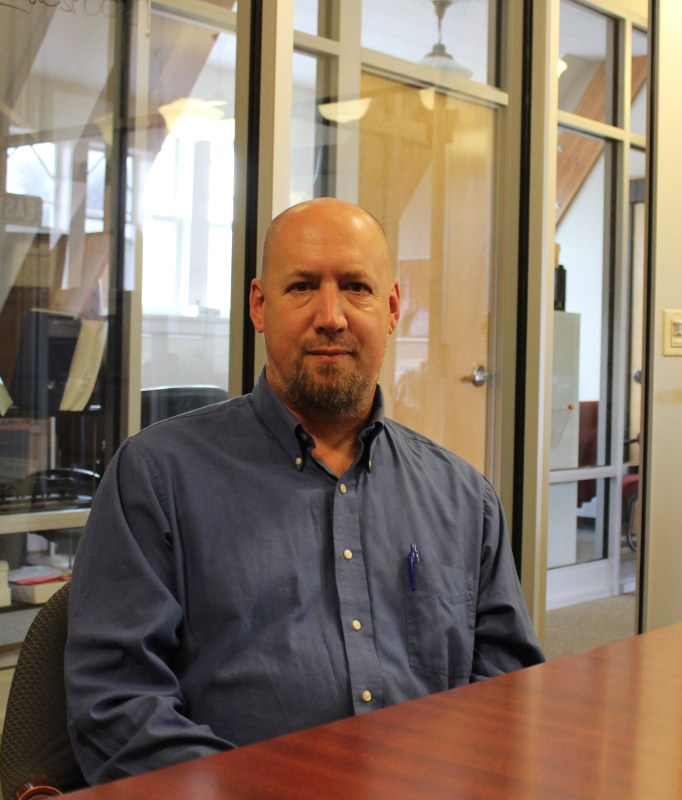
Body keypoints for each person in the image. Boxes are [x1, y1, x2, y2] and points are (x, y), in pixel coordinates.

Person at [64, 198, 544, 784]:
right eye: (301, 287)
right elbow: (118, 708)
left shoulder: (464, 498)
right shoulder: (158, 477)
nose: (331, 316)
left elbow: (507, 696)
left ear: (391, 308)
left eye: (356, 287)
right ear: (259, 306)